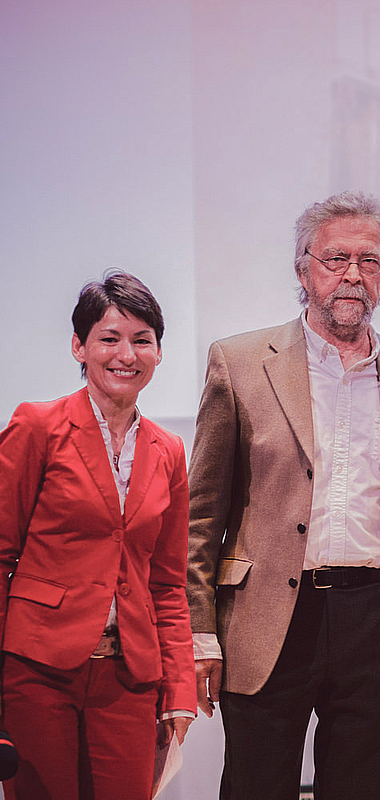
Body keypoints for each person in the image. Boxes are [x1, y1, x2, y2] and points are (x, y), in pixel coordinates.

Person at [187, 191, 380, 799]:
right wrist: (200, 628)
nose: (353, 275)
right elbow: (201, 515)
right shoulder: (239, 362)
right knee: (256, 788)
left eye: (370, 260)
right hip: (268, 615)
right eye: (337, 259)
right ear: (303, 268)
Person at [0, 271, 195, 799]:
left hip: (129, 677)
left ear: (158, 352)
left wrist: (179, 687)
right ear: (79, 347)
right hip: (38, 670)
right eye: (110, 338)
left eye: (142, 340)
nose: (126, 355)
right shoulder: (37, 426)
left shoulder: (169, 450)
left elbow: (168, 583)